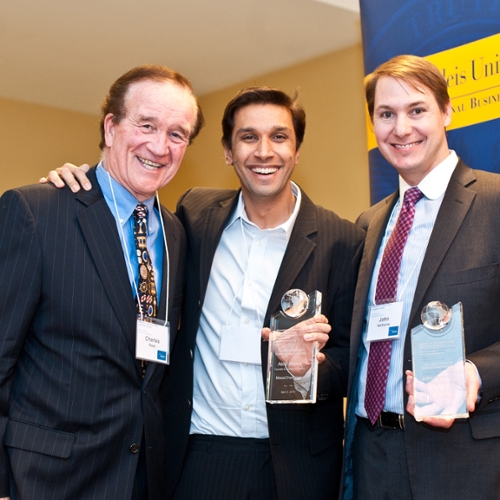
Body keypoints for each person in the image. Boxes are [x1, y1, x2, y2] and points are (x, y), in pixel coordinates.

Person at [42, 87, 365, 499]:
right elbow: (123, 215)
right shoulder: (193, 217)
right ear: (228, 152)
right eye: (248, 137)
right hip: (198, 456)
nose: (264, 151)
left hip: (296, 465)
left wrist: (311, 367)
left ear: (297, 150)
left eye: (279, 137)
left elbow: (352, 364)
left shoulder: (343, 240)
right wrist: (77, 183)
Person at [0, 64, 204, 500]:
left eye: (177, 134)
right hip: (43, 480)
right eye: (146, 125)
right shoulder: (37, 213)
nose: (159, 146)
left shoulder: (175, 234)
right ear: (110, 127)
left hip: (141, 479)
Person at [342, 55, 500, 500]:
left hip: (466, 465)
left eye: (417, 110)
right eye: (386, 114)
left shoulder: (495, 202)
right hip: (371, 453)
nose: (400, 128)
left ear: (447, 111)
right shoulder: (368, 224)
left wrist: (475, 372)